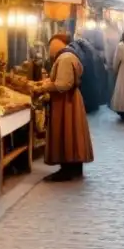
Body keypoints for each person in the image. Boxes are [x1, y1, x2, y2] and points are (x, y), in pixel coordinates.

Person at [42, 34, 94, 181]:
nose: (50, 50)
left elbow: (63, 84)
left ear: (56, 45)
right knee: (73, 133)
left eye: (51, 46)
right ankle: (75, 168)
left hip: (65, 102)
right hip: (70, 100)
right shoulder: (68, 56)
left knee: (66, 132)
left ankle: (67, 169)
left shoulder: (64, 58)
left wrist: (45, 86)